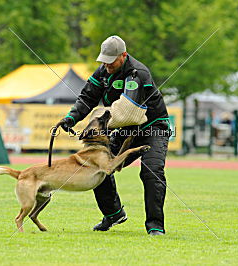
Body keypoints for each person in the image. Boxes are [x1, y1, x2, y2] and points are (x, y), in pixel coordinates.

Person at [59, 35, 170, 236]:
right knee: (96, 165)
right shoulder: (103, 71)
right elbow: (86, 98)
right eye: (104, 60)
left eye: (111, 61)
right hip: (124, 129)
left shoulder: (138, 73)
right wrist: (71, 118)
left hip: (152, 128)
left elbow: (127, 111)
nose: (106, 65)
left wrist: (99, 122)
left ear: (123, 56)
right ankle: (113, 214)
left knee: (151, 171)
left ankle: (155, 226)